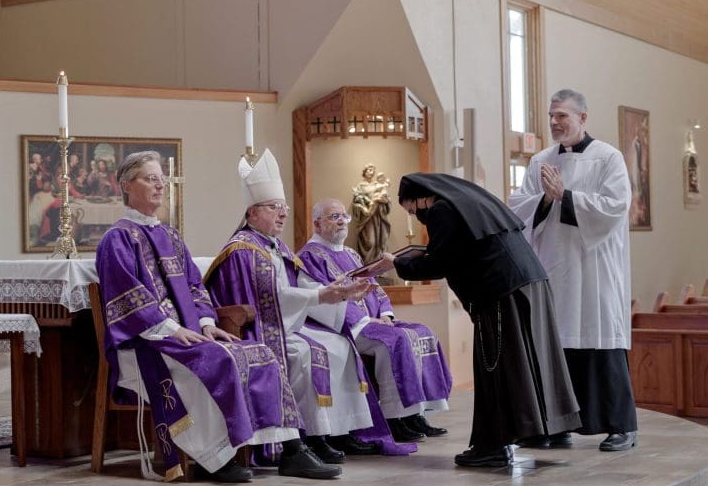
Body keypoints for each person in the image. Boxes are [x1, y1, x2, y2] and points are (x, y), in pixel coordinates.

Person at [95, 151, 342, 482]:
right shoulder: (117, 238)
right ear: (126, 185)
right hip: (147, 341)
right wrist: (172, 329)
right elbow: (128, 298)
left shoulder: (170, 236)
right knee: (220, 360)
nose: (160, 186)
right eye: (150, 179)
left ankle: (290, 450)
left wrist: (207, 324)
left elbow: (197, 289)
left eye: (161, 179)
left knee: (259, 352)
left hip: (188, 334)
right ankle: (216, 459)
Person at [205, 150, 412, 463]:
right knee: (309, 352)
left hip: (285, 323)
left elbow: (296, 288)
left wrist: (335, 292)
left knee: (340, 344)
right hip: (256, 329)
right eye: (275, 208)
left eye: (284, 207)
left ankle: (338, 432)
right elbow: (267, 298)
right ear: (252, 213)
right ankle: (308, 437)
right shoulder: (242, 250)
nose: (283, 214)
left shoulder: (277, 247)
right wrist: (321, 297)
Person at [374, 172, 581, 467]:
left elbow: (440, 262)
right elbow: (462, 249)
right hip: (528, 284)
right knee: (531, 361)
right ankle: (545, 430)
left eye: (411, 209)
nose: (415, 215)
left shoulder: (441, 209)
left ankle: (493, 447)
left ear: (421, 197)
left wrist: (399, 264)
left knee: (494, 366)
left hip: (501, 291)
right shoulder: (467, 200)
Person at [508, 88, 637, 452]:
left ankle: (621, 426)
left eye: (562, 115)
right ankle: (556, 425)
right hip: (554, 265)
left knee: (601, 342)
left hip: (594, 267)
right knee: (556, 346)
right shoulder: (540, 161)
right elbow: (519, 208)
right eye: (552, 116)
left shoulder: (608, 158)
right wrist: (546, 198)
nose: (555, 122)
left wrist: (567, 196)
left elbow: (615, 206)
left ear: (582, 117)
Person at [298, 198, 453, 443]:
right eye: (334, 217)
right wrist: (364, 320)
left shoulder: (351, 253)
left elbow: (375, 288)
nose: (341, 221)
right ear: (317, 224)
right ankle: (395, 417)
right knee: (396, 340)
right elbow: (320, 297)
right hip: (348, 327)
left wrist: (384, 314)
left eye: (343, 216)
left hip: (373, 320)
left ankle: (416, 413)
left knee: (424, 332)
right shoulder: (309, 256)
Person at [351, 164, 392, 265]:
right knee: (370, 242)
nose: (371, 172)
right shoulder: (360, 187)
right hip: (367, 219)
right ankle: (367, 268)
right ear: (364, 172)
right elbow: (356, 203)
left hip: (379, 218)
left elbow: (387, 199)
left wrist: (383, 200)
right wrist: (362, 208)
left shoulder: (377, 185)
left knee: (380, 242)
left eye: (373, 170)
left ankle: (378, 269)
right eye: (369, 170)